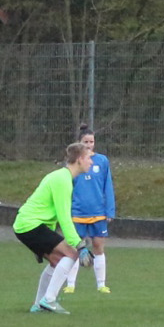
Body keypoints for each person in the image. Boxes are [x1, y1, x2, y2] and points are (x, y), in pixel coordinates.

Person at [13, 142, 94, 314]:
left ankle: (39, 305)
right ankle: (49, 300)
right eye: (88, 158)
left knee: (56, 261)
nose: (91, 162)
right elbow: (64, 217)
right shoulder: (63, 180)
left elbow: (50, 213)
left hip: (26, 225)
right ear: (79, 159)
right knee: (72, 253)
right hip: (30, 224)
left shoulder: (62, 177)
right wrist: (79, 245)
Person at [64, 125, 116, 294]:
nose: (88, 145)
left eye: (91, 142)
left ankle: (101, 285)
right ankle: (70, 284)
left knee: (98, 246)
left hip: (98, 213)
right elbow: (66, 189)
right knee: (75, 248)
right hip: (78, 213)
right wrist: (66, 211)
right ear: (79, 143)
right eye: (85, 142)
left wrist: (110, 210)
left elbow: (107, 186)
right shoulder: (73, 164)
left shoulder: (102, 161)